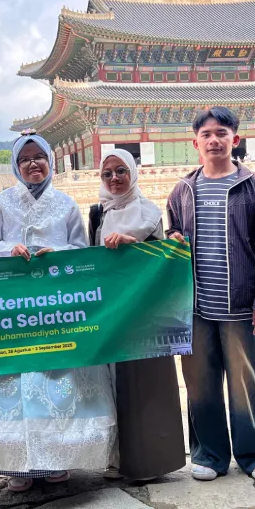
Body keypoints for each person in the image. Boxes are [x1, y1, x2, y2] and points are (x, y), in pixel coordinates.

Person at [0, 131, 117, 493]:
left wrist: (58, 254)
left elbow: (80, 249)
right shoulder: (0, 204)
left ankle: (56, 460)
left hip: (56, 307)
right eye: (24, 159)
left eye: (38, 157)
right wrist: (9, 249)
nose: (32, 164)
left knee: (58, 376)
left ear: (50, 161)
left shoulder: (66, 205)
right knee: (14, 378)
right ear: (15, 165)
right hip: (12, 308)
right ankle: (17, 465)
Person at [165, 107, 255, 483]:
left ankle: (254, 453)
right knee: (200, 382)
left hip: (241, 305)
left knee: (246, 382)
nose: (214, 140)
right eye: (207, 134)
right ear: (195, 142)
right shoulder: (182, 190)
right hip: (195, 307)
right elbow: (173, 234)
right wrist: (173, 238)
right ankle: (210, 454)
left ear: (235, 139)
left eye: (221, 133)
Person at [88, 148, 185, 482]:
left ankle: (152, 461)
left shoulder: (150, 212)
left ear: (133, 173)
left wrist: (136, 246)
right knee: (113, 382)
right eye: (107, 173)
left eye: (121, 171)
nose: (114, 178)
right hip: (111, 310)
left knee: (147, 385)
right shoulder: (98, 214)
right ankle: (117, 459)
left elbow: (162, 260)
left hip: (145, 313)